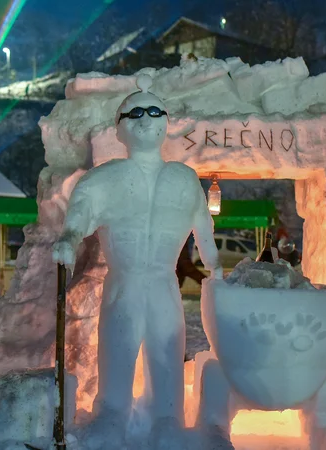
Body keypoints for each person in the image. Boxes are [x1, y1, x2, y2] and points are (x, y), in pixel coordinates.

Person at [52, 75, 222, 448]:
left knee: (166, 348)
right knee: (118, 343)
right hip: (124, 281)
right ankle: (111, 413)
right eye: (135, 113)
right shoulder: (103, 180)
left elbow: (203, 229)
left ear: (166, 122)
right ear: (120, 128)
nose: (146, 119)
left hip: (163, 282)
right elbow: (79, 217)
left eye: (154, 111)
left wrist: (215, 267)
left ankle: (167, 418)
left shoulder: (183, 180)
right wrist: (67, 238)